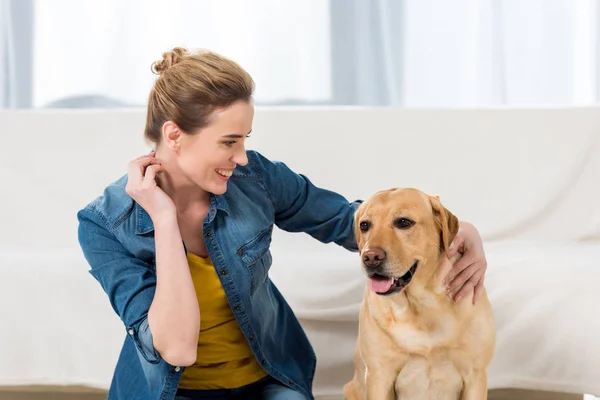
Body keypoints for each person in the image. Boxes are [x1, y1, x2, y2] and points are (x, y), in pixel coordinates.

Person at [77, 47, 488, 400]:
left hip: (267, 382)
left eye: (244, 140)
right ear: (174, 135)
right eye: (228, 142)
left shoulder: (254, 177)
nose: (240, 158)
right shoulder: (103, 225)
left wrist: (458, 231)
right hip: (172, 390)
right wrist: (164, 219)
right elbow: (176, 349)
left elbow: (347, 220)